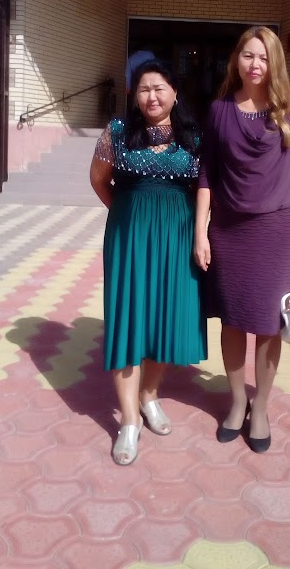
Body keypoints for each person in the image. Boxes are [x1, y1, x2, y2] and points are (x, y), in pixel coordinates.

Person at [194, 26, 290, 453]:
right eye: (248, 55)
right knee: (231, 320)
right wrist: (200, 231)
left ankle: (260, 406)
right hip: (228, 230)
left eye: (264, 57)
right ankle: (236, 401)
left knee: (267, 323)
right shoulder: (219, 110)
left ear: (274, 62)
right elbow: (206, 174)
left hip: (277, 231)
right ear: (237, 59)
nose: (255, 64)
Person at [90, 57, 206, 465]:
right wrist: (129, 213)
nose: (152, 96)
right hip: (130, 238)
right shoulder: (118, 131)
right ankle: (128, 421)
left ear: (175, 93)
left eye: (159, 88)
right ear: (134, 95)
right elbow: (99, 179)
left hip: (177, 238)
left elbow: (205, 188)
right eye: (143, 89)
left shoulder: (194, 136)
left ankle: (149, 396)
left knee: (164, 318)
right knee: (128, 320)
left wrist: (199, 233)